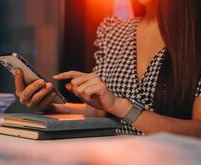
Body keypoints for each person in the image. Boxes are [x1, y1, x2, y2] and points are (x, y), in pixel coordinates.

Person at [13, 0, 201, 137]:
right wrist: (50, 105)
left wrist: (121, 106)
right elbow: (99, 110)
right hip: (113, 161)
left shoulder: (194, 39)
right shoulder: (113, 30)